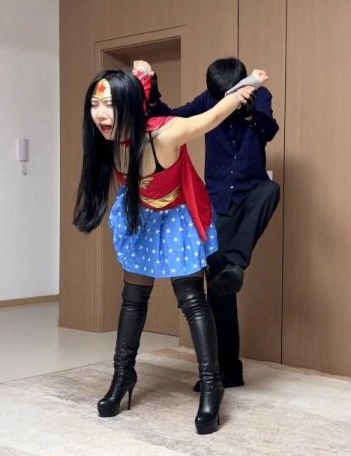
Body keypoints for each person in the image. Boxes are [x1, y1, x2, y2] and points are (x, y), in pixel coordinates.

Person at [73, 60, 267, 435]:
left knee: (192, 298)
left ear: (128, 106)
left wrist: (249, 84)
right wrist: (143, 77)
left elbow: (212, 116)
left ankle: (212, 384)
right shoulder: (107, 142)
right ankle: (122, 376)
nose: (100, 114)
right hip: (142, 217)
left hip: (178, 217)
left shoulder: (166, 133)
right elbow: (136, 95)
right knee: (133, 299)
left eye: (109, 104)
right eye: (95, 105)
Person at [149, 57, 281, 392]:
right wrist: (151, 92)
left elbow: (269, 131)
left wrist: (249, 112)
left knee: (271, 189)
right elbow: (172, 116)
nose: (223, 101)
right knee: (221, 289)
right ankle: (228, 372)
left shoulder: (259, 95)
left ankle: (237, 262)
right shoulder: (208, 99)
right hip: (217, 204)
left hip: (250, 194)